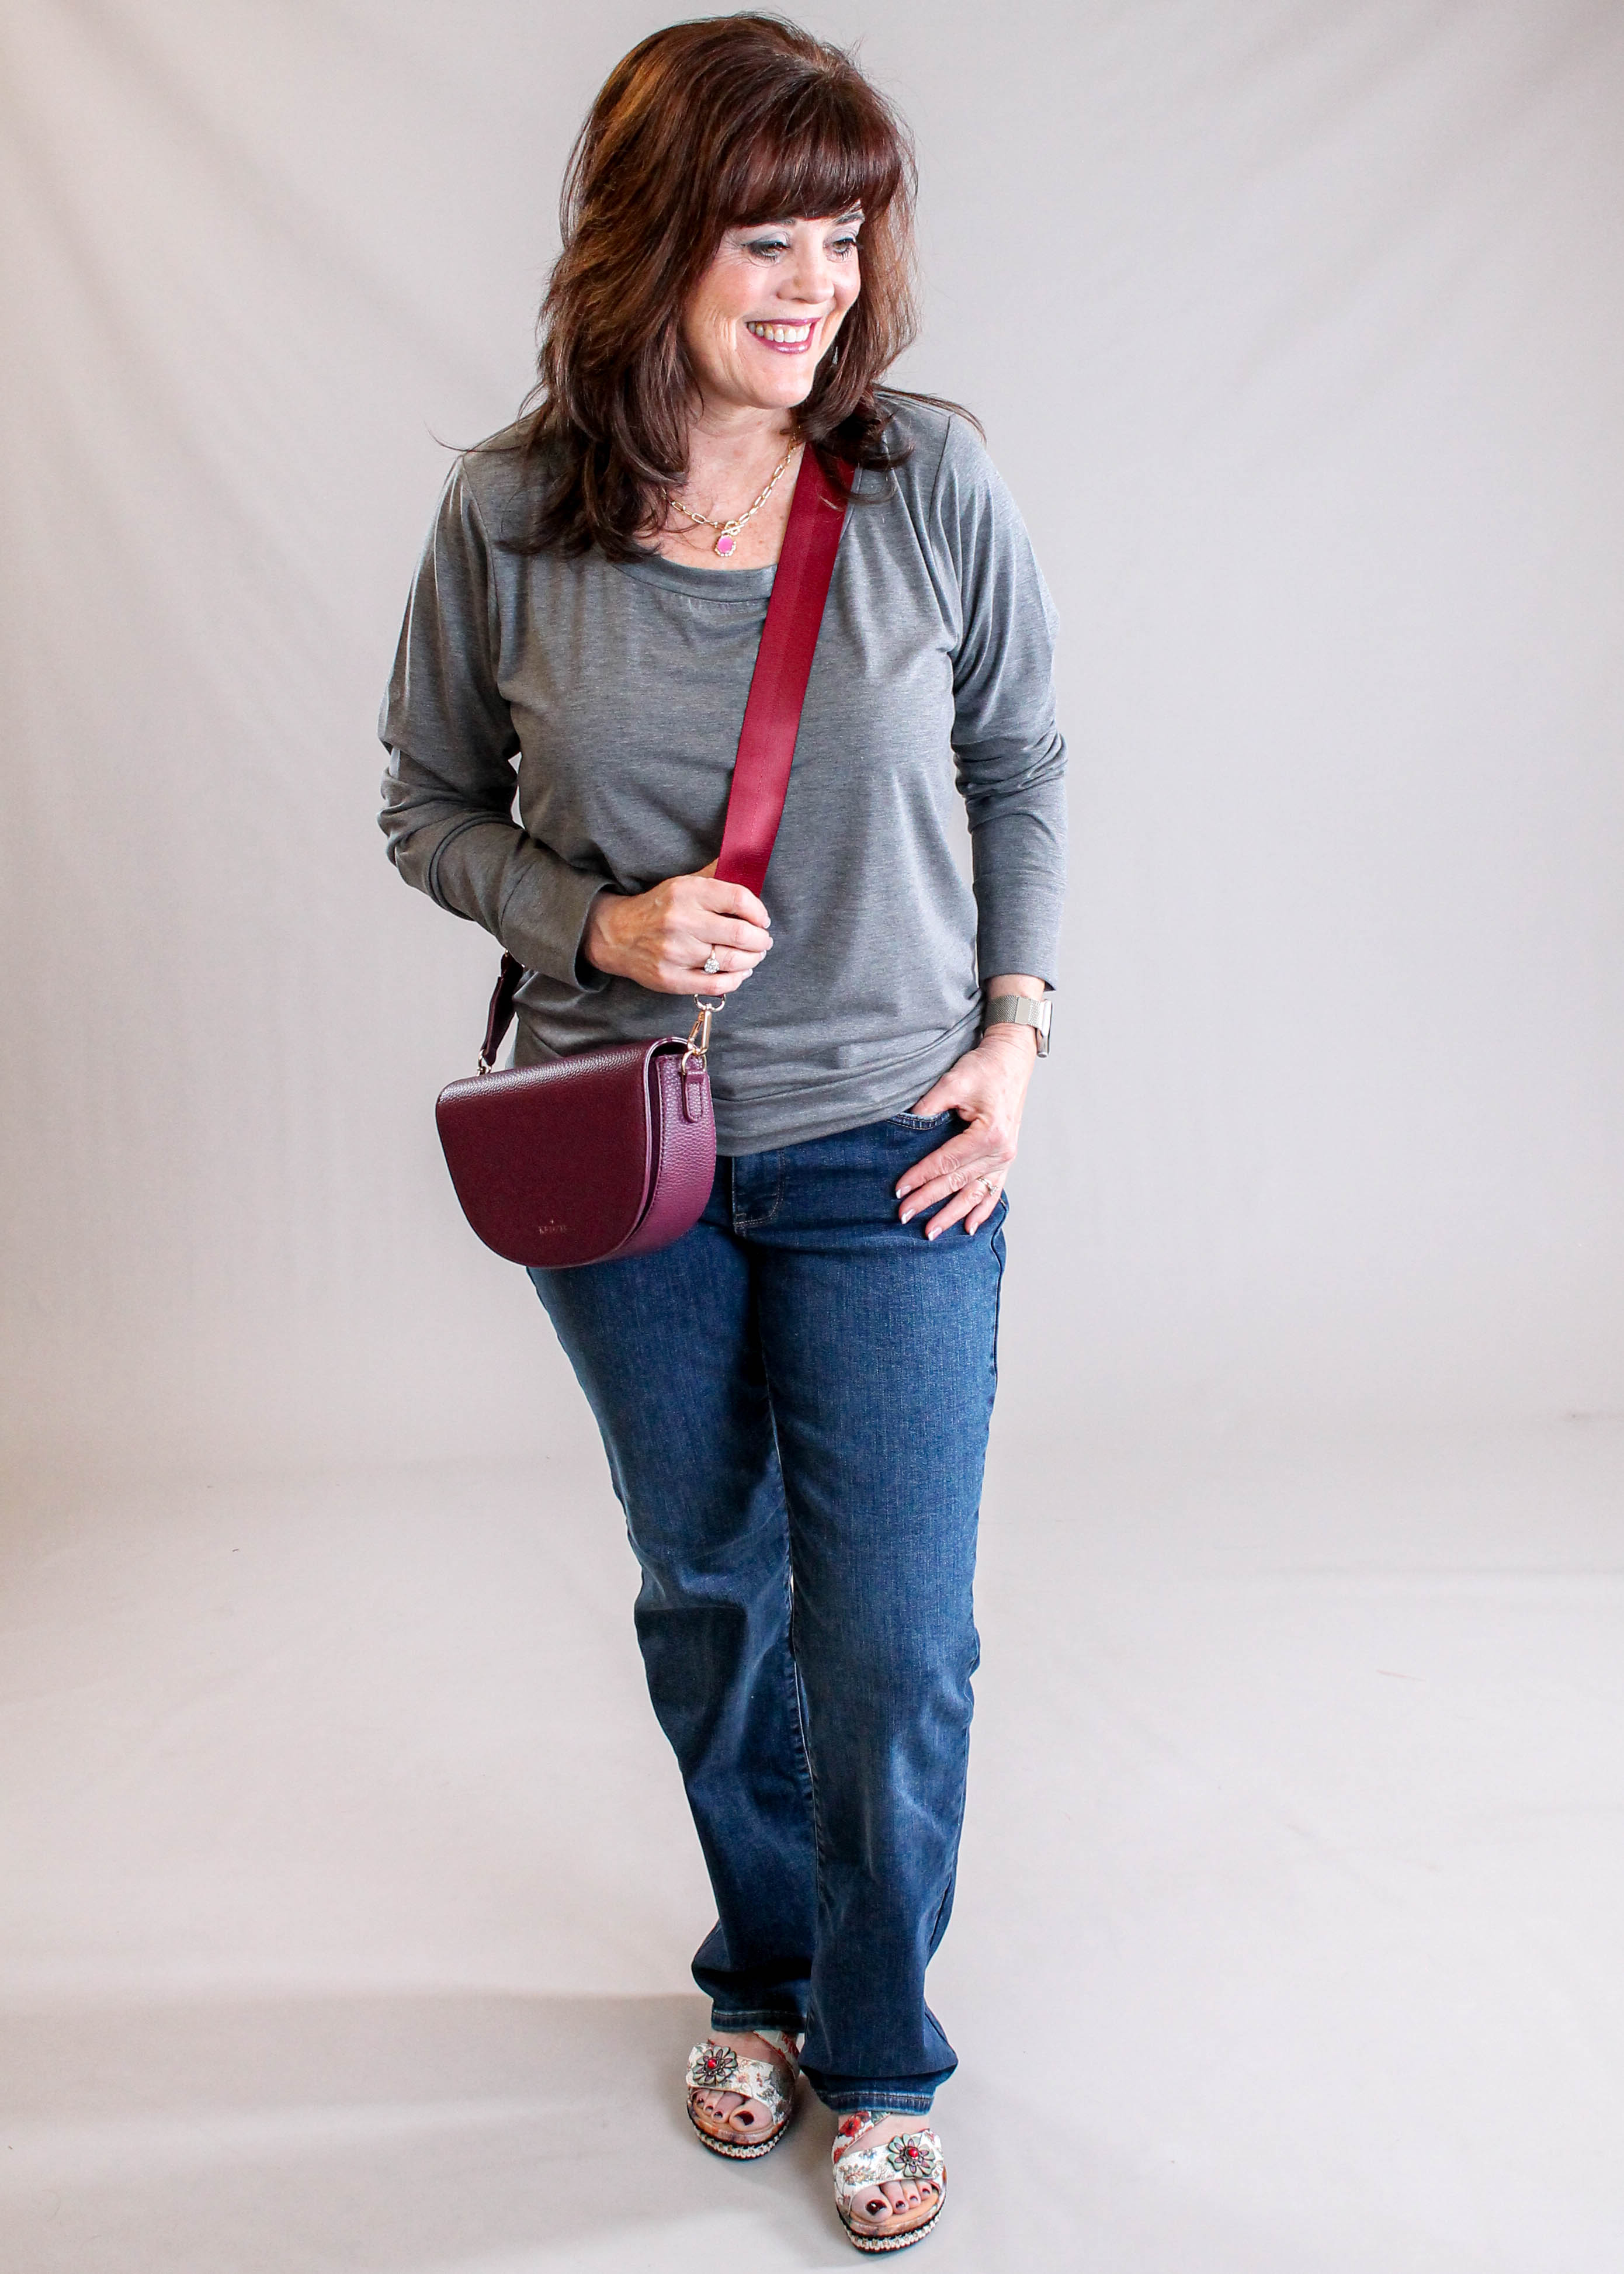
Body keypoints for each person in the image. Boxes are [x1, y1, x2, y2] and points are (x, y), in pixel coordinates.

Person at [379, 14, 1064, 2252]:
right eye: (769, 236)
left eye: (846, 236)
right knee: (711, 1593)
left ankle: (880, 2044)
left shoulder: (926, 482)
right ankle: (757, 1971)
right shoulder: (507, 514)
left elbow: (1020, 763)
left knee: (896, 1641)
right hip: (631, 1161)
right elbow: (425, 803)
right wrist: (596, 920)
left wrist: (1015, 1034)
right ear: (648, 237)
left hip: (889, 1142)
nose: (818, 285)